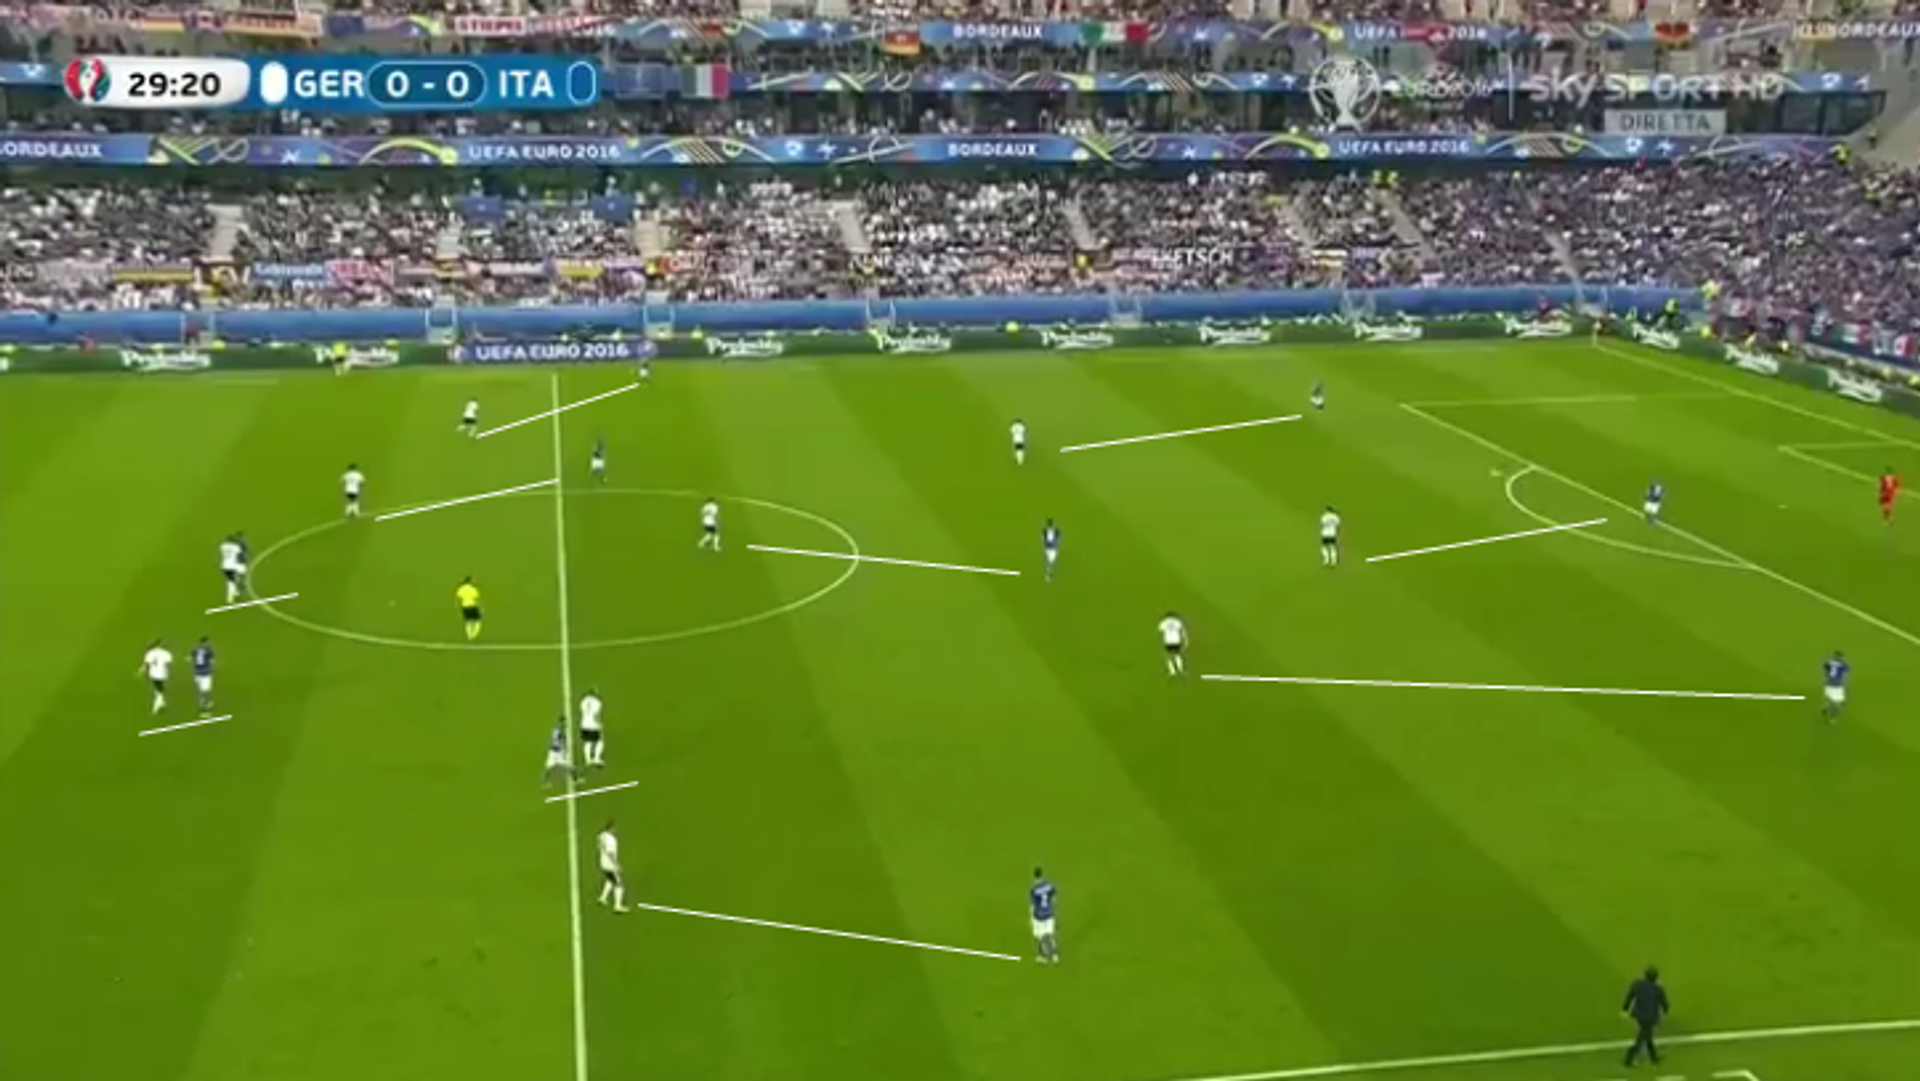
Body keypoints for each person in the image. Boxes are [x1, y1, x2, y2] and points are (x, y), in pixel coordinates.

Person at [1621, 965, 1669, 1067]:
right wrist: (1665, 1010)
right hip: (1651, 1016)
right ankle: (1629, 1058)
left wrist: (1625, 1009)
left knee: (1647, 1035)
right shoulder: (1657, 988)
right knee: (1642, 1037)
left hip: (1639, 1015)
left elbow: (1630, 996)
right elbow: (1663, 1002)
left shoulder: (1637, 985)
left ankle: (1653, 1057)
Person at [597, 820, 629, 913]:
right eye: (614, 828)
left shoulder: (601, 835)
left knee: (610, 880)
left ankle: (602, 898)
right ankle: (617, 906)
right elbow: (610, 853)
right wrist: (616, 865)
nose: (616, 830)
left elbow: (599, 846)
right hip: (610, 865)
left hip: (602, 862)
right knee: (619, 884)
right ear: (611, 828)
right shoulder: (611, 840)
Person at [1029, 868, 1059, 964]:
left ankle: (1042, 956)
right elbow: (1054, 897)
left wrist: (1031, 917)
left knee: (1039, 937)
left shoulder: (1034, 889)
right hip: (1049, 913)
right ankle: (1054, 955)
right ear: (1042, 875)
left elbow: (1032, 905)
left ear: (1034, 877)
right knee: (1050, 934)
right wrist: (1052, 908)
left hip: (1039, 915)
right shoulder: (1049, 885)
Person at [139, 639, 173, 715]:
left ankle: (159, 704)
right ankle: (160, 705)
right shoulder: (166, 653)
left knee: (158, 690)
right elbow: (168, 664)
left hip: (153, 674)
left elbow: (146, 665)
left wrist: (141, 671)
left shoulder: (150, 653)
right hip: (163, 674)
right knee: (160, 689)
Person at [579, 688, 605, 769]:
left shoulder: (583, 701)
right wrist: (599, 724)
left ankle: (588, 760)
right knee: (599, 742)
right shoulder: (597, 702)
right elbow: (596, 715)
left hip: (584, 723)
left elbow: (582, 711)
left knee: (587, 742)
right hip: (593, 724)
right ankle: (596, 758)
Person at [1822, 649, 1849, 723]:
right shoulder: (1844, 664)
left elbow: (1825, 669)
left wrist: (1827, 677)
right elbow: (1845, 672)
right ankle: (1832, 719)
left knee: (1829, 697)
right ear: (1841, 657)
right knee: (1839, 704)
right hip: (1837, 685)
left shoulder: (1828, 662)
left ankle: (1826, 707)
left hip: (1828, 683)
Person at [1158, 611, 1187, 677]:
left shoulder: (1164, 622)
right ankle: (1180, 669)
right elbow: (1182, 631)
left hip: (1168, 641)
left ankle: (1172, 671)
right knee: (1177, 655)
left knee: (1169, 657)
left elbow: (1160, 631)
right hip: (1176, 640)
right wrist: (1185, 640)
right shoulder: (1177, 621)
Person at [191, 636, 215, 714]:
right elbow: (212, 661)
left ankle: (205, 703)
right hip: (205, 672)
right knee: (206, 690)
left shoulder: (195, 650)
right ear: (206, 642)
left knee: (201, 690)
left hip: (197, 673)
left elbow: (191, 659)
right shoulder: (209, 650)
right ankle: (204, 706)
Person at [456, 576, 483, 641]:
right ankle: (474, 634)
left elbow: (458, 599)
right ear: (470, 581)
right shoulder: (473, 589)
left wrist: (459, 607)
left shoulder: (461, 589)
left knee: (468, 621)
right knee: (478, 621)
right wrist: (480, 607)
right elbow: (477, 599)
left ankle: (469, 635)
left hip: (464, 606)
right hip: (473, 605)